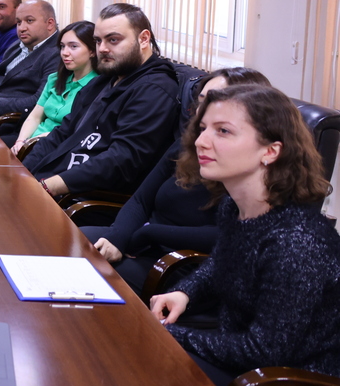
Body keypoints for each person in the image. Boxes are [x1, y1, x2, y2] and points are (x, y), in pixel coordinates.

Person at [150, 85, 339, 386]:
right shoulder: (235, 207)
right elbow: (222, 264)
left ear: (271, 151)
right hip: (243, 362)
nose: (200, 141)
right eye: (203, 128)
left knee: (148, 366)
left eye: (223, 131)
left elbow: (264, 351)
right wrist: (185, 292)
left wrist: (171, 334)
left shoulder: (295, 242)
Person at [88, 69, 272, 291]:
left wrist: (149, 234)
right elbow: (141, 200)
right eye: (202, 102)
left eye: (216, 103)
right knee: (70, 242)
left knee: (91, 277)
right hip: (142, 240)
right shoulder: (191, 143)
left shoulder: (248, 169)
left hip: (182, 261)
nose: (203, 112)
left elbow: (235, 233)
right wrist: (118, 238)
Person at [23, 3, 179, 198]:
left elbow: (121, 160)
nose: (102, 49)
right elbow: (62, 133)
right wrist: (22, 171)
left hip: (82, 196)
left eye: (113, 40)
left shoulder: (154, 89)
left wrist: (49, 186)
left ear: (143, 39)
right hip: (51, 179)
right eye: (98, 41)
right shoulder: (104, 81)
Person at [0, 0, 62, 142]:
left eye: (29, 21)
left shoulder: (57, 54)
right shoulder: (17, 45)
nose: (22, 28)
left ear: (50, 24)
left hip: (13, 125)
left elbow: (38, 101)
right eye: (19, 22)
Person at [11, 21, 99, 154]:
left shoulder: (97, 87)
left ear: (92, 51)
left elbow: (75, 131)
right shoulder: (55, 78)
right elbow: (35, 117)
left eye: (73, 46)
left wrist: (31, 143)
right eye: (62, 46)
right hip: (31, 142)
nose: (64, 53)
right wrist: (20, 142)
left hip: (59, 148)